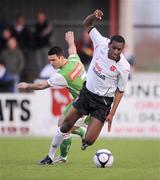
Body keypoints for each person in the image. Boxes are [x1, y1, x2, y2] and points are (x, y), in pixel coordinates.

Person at [39, 9, 130, 164]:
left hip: (103, 103)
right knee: (64, 124)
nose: (115, 52)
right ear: (109, 44)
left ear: (122, 49)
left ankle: (85, 139)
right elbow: (87, 24)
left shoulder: (124, 67)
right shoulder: (100, 42)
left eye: (119, 50)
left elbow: (120, 91)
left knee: (89, 140)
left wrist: (112, 113)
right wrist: (94, 17)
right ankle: (50, 156)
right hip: (87, 94)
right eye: (113, 48)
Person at [18, 31, 88, 164]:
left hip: (86, 105)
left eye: (53, 60)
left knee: (64, 129)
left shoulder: (62, 75)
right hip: (78, 100)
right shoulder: (74, 60)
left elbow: (42, 85)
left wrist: (27, 85)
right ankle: (65, 153)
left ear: (62, 58)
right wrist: (71, 41)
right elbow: (72, 50)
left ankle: (57, 155)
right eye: (49, 60)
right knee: (61, 123)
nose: (51, 63)